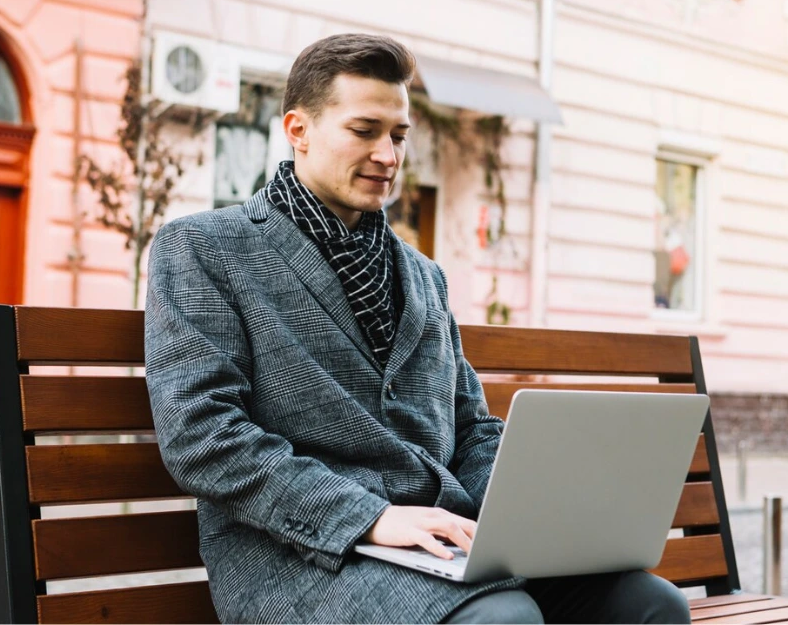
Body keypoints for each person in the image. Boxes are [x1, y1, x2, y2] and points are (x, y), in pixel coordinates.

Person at [144, 32, 691, 624]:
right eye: (365, 131)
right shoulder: (204, 248)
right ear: (298, 130)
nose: (389, 155)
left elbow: (470, 428)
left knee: (650, 606)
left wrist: (543, 511)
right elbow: (203, 436)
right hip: (306, 557)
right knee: (503, 620)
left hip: (442, 543)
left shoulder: (423, 275)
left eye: (399, 136)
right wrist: (371, 518)